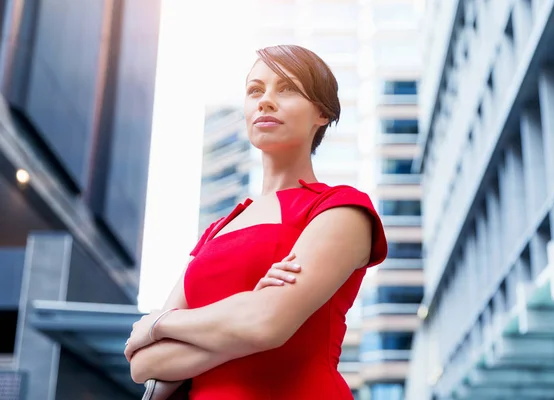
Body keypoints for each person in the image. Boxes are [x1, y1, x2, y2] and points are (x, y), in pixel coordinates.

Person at [125, 44, 388, 399]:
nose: (265, 101)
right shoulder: (217, 230)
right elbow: (144, 363)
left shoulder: (341, 208)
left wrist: (158, 323)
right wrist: (246, 311)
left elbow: (266, 326)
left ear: (322, 114)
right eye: (254, 90)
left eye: (288, 89)